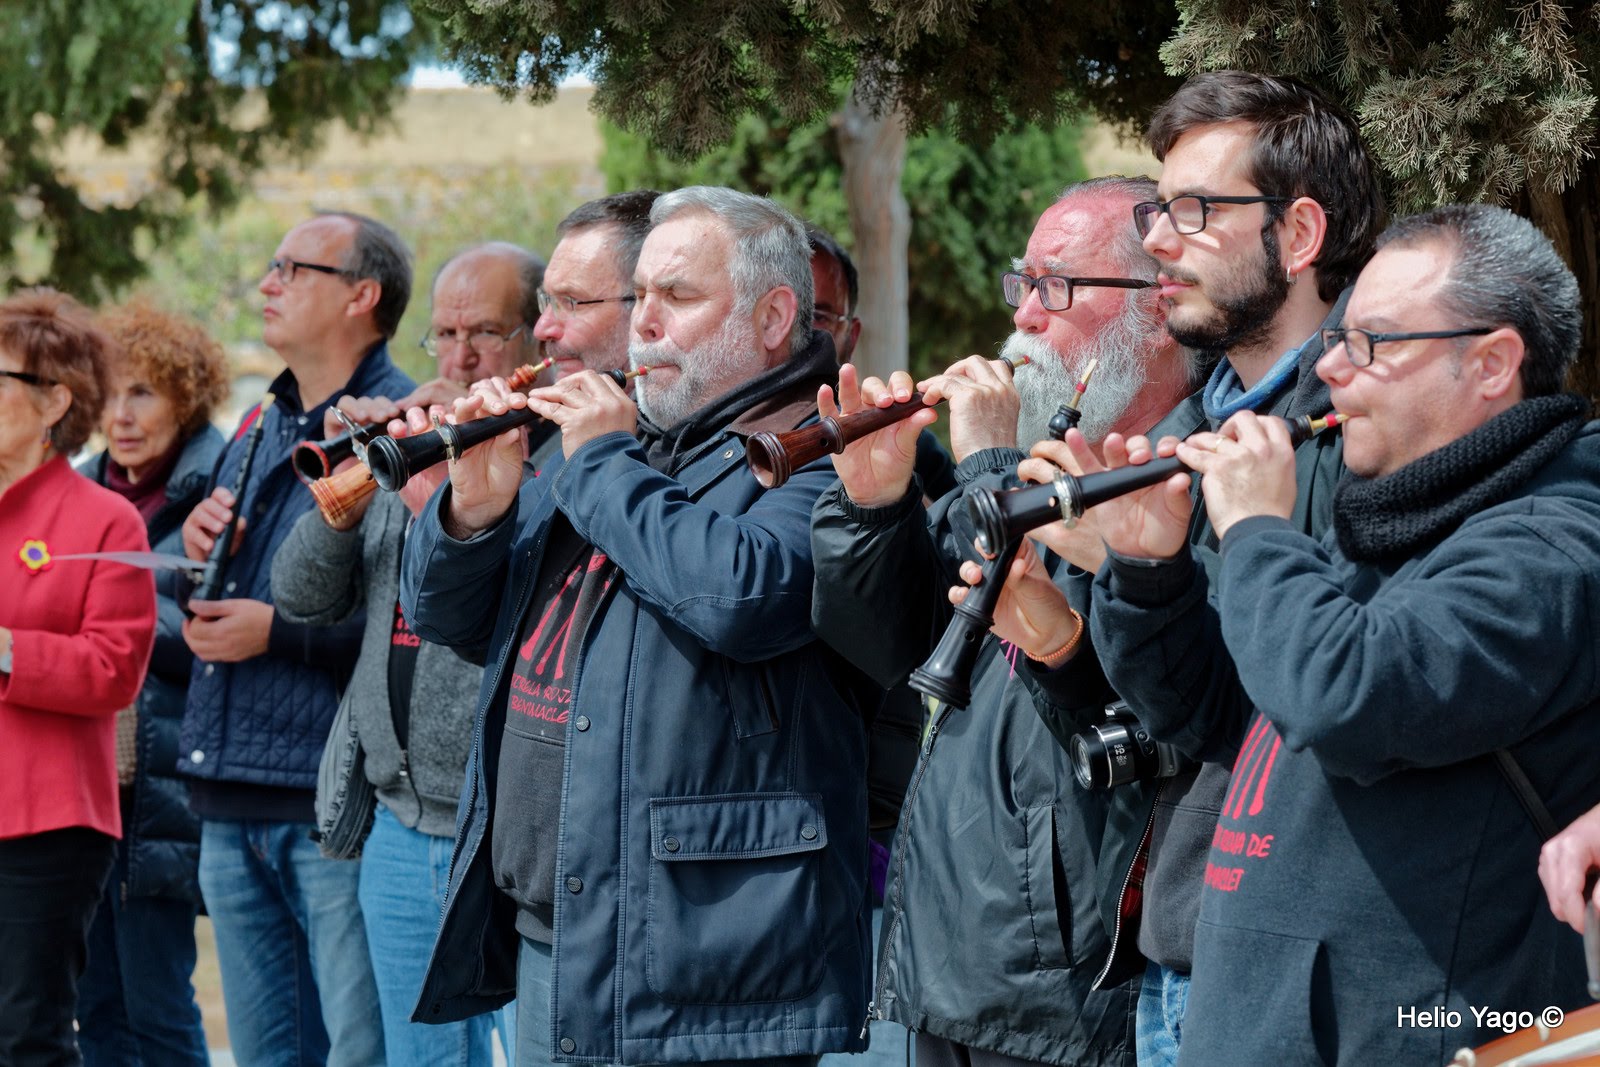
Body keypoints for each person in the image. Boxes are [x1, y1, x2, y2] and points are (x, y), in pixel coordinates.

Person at [1053, 202, 1600, 1062]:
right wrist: (1152, 568)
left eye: (1373, 344)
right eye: (1339, 337)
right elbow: (1216, 720)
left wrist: (1257, 531)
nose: (1333, 369)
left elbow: (1347, 697)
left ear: (1492, 363)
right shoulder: (1392, 517)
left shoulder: (1553, 547)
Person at [401, 185, 875, 1066]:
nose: (643, 324)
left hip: (704, 963)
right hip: (565, 928)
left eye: (677, 297)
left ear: (774, 318)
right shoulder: (634, 438)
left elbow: (743, 597)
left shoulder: (827, 446)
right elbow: (451, 622)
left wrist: (603, 463)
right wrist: (473, 510)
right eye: (640, 295)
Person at [985, 72, 1384, 1067]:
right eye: (1164, 209)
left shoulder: (1368, 428)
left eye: (1195, 211)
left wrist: (1143, 570)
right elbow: (1185, 721)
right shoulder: (1194, 424)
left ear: (1296, 238)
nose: (1158, 238)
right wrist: (1115, 594)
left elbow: (1316, 707)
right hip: (1186, 946)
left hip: (1312, 970)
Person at [810, 175, 1195, 1067]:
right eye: (1021, 283)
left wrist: (988, 465)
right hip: (954, 948)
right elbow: (891, 645)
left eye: (1056, 286)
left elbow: (1150, 708)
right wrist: (872, 502)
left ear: (1158, 308)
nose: (1024, 315)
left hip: (1062, 978)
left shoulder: (1195, 466)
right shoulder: (1049, 442)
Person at [269, 240, 544, 1067]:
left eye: (485, 333)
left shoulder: (557, 451)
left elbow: (522, 612)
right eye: (445, 334)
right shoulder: (413, 437)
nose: (459, 356)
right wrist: (358, 481)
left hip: (509, 832)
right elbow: (301, 594)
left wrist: (452, 508)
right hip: (399, 822)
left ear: (536, 336)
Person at [178, 211, 415, 1067]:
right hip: (227, 790)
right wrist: (194, 549)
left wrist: (272, 633)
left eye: (293, 268)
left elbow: (413, 623)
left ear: (362, 295)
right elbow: (207, 594)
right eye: (270, 264)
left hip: (331, 807)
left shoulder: (397, 426)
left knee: (360, 1050)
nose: (267, 282)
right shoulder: (257, 426)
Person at [0, 289, 157, 1065]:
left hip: (47, 822)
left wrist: (5, 650)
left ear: (53, 398)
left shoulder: (105, 520)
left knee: (27, 1034)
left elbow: (113, 669)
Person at [76, 300, 230, 1067]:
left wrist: (105, 608)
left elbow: (208, 629)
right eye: (110, 393)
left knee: (159, 1005)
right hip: (81, 781)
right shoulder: (77, 489)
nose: (122, 415)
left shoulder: (219, 487)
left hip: (163, 785)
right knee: (93, 1003)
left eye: (145, 393)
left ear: (188, 397)